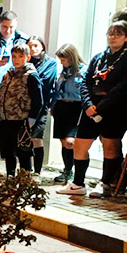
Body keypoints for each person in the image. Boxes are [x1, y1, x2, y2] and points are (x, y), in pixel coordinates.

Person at [58, 21, 127, 197]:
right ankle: (78, 183)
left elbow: (123, 87)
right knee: (80, 143)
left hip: (115, 108)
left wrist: (100, 107)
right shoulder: (98, 57)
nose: (113, 37)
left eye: (118, 34)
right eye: (110, 34)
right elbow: (85, 82)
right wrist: (88, 104)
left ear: (126, 37)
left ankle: (105, 183)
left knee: (110, 145)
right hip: (91, 107)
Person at [0, 43, 43, 177]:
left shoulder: (30, 76)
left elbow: (38, 100)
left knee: (23, 152)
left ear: (27, 58)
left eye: (20, 56)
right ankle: (10, 176)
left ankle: (24, 178)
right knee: (8, 151)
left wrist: (31, 119)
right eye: (14, 56)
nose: (16, 60)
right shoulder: (9, 74)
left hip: (21, 119)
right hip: (6, 118)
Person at [50, 44, 87, 184]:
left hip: (76, 107)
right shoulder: (63, 72)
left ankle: (78, 173)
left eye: (63, 59)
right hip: (62, 106)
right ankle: (67, 170)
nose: (61, 62)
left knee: (71, 141)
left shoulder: (83, 71)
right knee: (63, 142)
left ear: (71, 57)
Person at [27, 36, 58, 174]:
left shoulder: (50, 63)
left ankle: (37, 171)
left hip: (41, 104)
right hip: (24, 104)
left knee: (36, 138)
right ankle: (26, 169)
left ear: (42, 46)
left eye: (36, 45)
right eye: (30, 46)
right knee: (25, 138)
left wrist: (30, 79)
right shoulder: (26, 60)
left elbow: (45, 82)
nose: (33, 49)